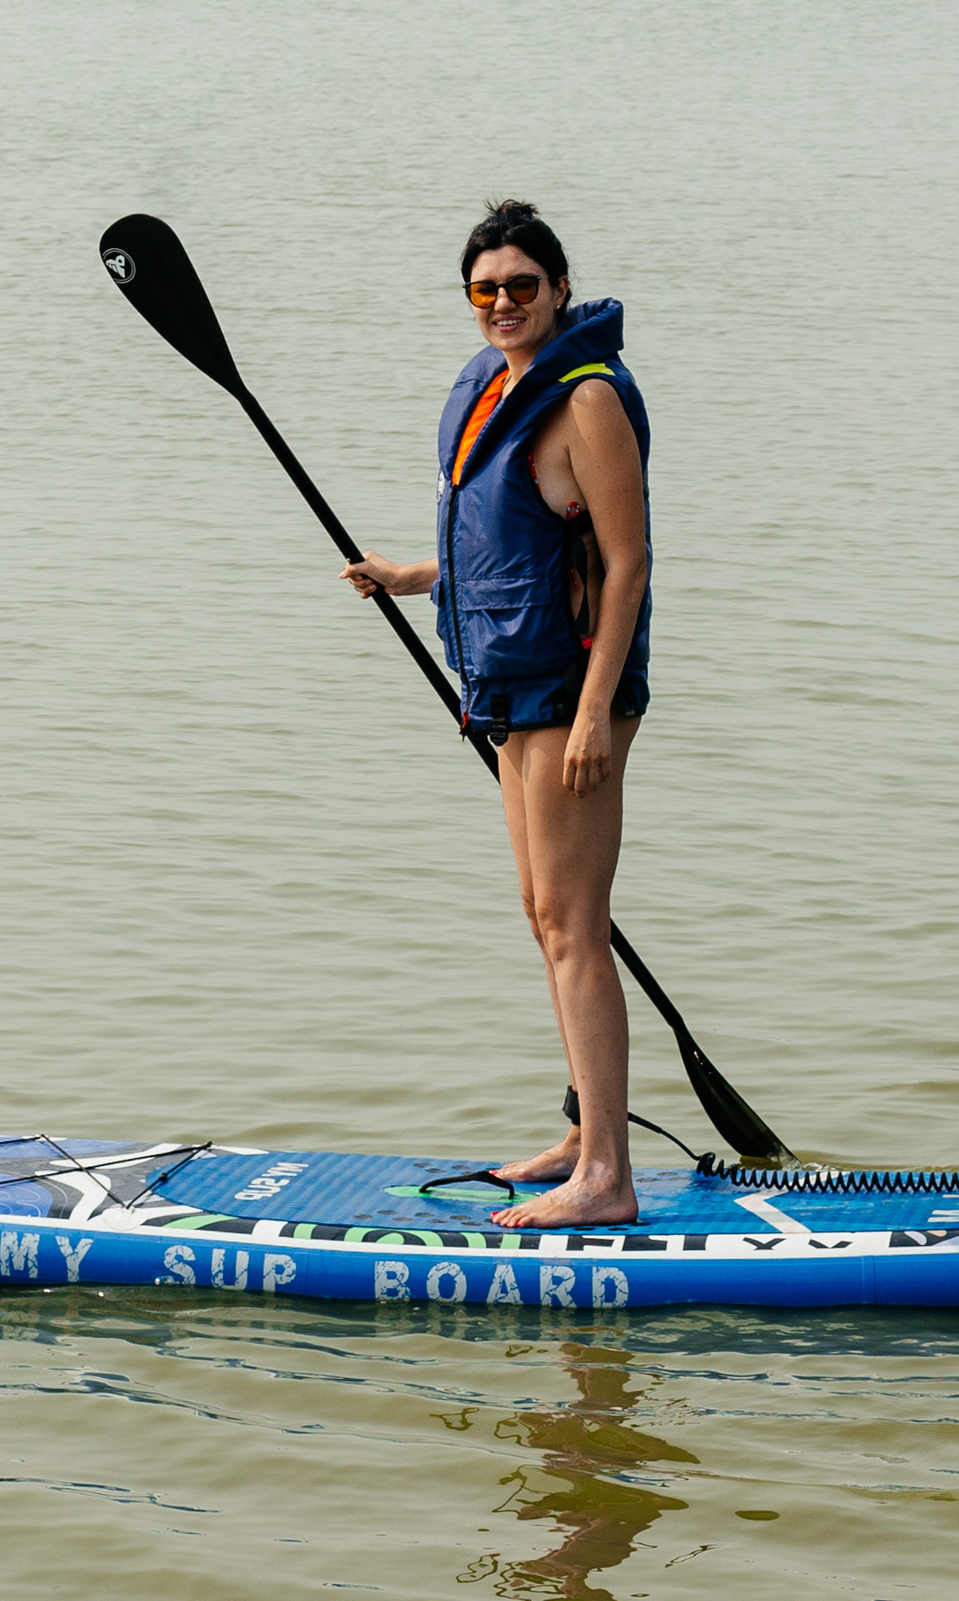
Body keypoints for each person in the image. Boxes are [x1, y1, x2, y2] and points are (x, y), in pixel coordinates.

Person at [341, 200, 653, 1229]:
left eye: (522, 287)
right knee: (547, 919)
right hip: (512, 686)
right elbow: (501, 551)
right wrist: (411, 574)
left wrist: (599, 710)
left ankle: (606, 1179)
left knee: (574, 926)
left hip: (572, 691)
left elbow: (623, 566)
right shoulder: (492, 388)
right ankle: (583, 1129)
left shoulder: (587, 399)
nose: (504, 305)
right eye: (485, 290)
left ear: (559, 289)